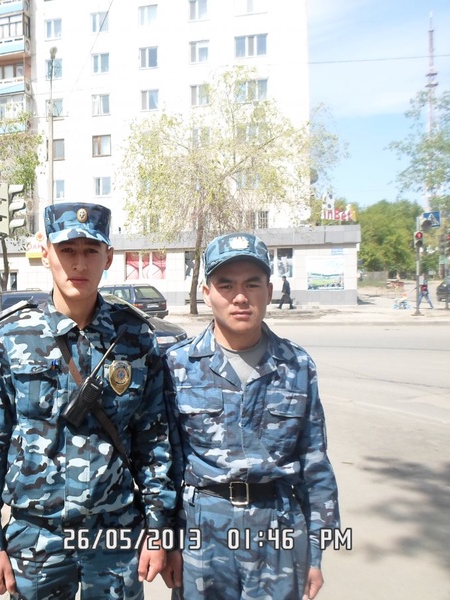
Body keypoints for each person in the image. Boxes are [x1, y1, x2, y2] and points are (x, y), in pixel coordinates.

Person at [0, 202, 178, 599]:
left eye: (90, 251)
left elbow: (154, 439)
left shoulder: (133, 336)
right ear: (46, 254)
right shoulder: (11, 335)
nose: (78, 264)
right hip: (36, 536)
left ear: (108, 257)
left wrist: (158, 528)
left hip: (116, 535)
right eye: (67, 251)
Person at [165, 232, 340, 600]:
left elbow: (315, 464)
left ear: (270, 290)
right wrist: (168, 541)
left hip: (277, 529)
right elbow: (166, 464)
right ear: (206, 292)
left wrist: (317, 552)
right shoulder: (177, 365)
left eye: (252, 284)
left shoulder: (297, 365)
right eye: (226, 284)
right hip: (202, 533)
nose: (240, 297)